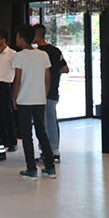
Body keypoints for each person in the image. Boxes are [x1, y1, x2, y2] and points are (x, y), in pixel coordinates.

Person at [11, 24, 57, 180]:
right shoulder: (43, 55)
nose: (16, 40)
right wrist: (43, 94)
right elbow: (47, 79)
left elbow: (17, 80)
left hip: (24, 100)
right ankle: (50, 167)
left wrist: (14, 97)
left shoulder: (19, 56)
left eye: (17, 37)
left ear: (22, 38)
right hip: (39, 100)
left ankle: (31, 169)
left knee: (27, 135)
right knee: (41, 132)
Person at [33, 24, 69, 163]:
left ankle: (48, 151)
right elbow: (65, 69)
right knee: (51, 119)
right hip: (53, 90)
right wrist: (54, 74)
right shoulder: (55, 51)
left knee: (43, 122)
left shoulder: (37, 53)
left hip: (40, 91)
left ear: (37, 35)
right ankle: (54, 150)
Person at [0, 30, 18, 154]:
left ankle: (13, 141)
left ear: (3, 40)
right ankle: (3, 140)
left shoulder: (12, 54)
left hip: (7, 85)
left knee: (7, 115)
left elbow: (17, 71)